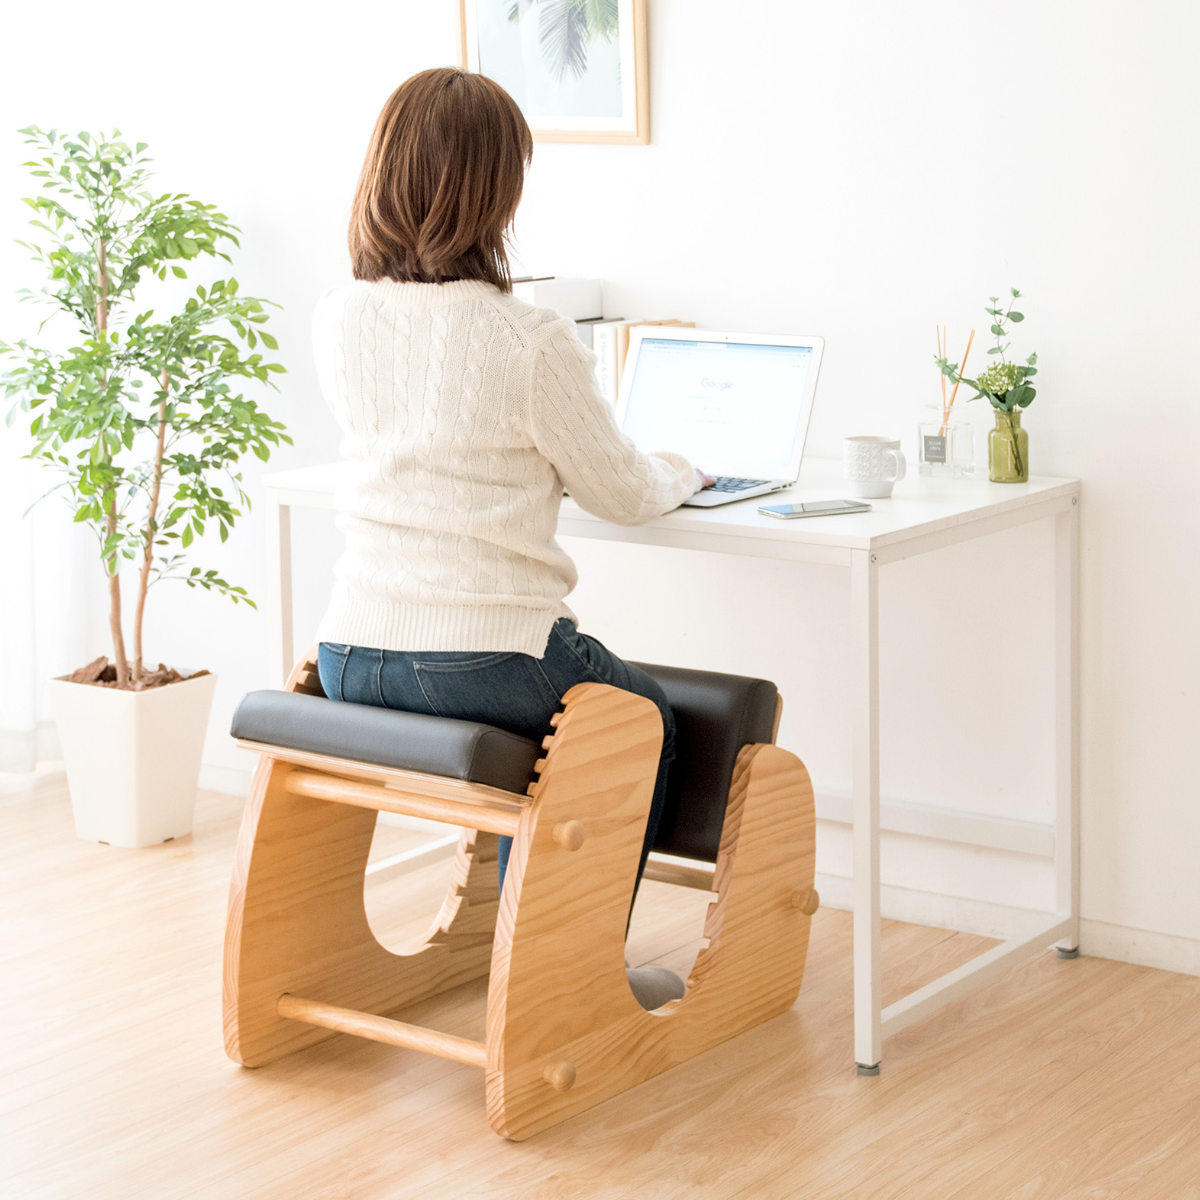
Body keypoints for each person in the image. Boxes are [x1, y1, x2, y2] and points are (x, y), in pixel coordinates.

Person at [311, 68, 712, 1007]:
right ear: (497, 191)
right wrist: (682, 471)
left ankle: (513, 948)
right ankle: (567, 978)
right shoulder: (527, 338)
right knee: (636, 720)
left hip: (348, 651)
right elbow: (620, 491)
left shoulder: (341, 317)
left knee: (544, 738)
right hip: (481, 654)